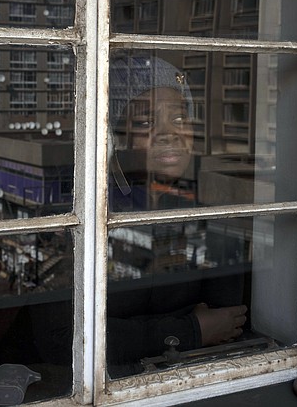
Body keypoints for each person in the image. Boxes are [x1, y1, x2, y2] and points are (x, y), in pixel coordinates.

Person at [105, 53, 248, 376]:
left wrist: (131, 331)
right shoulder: (85, 213)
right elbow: (61, 340)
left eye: (180, 119)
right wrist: (190, 330)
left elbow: (227, 322)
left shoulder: (212, 217)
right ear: (116, 136)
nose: (169, 133)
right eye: (144, 122)